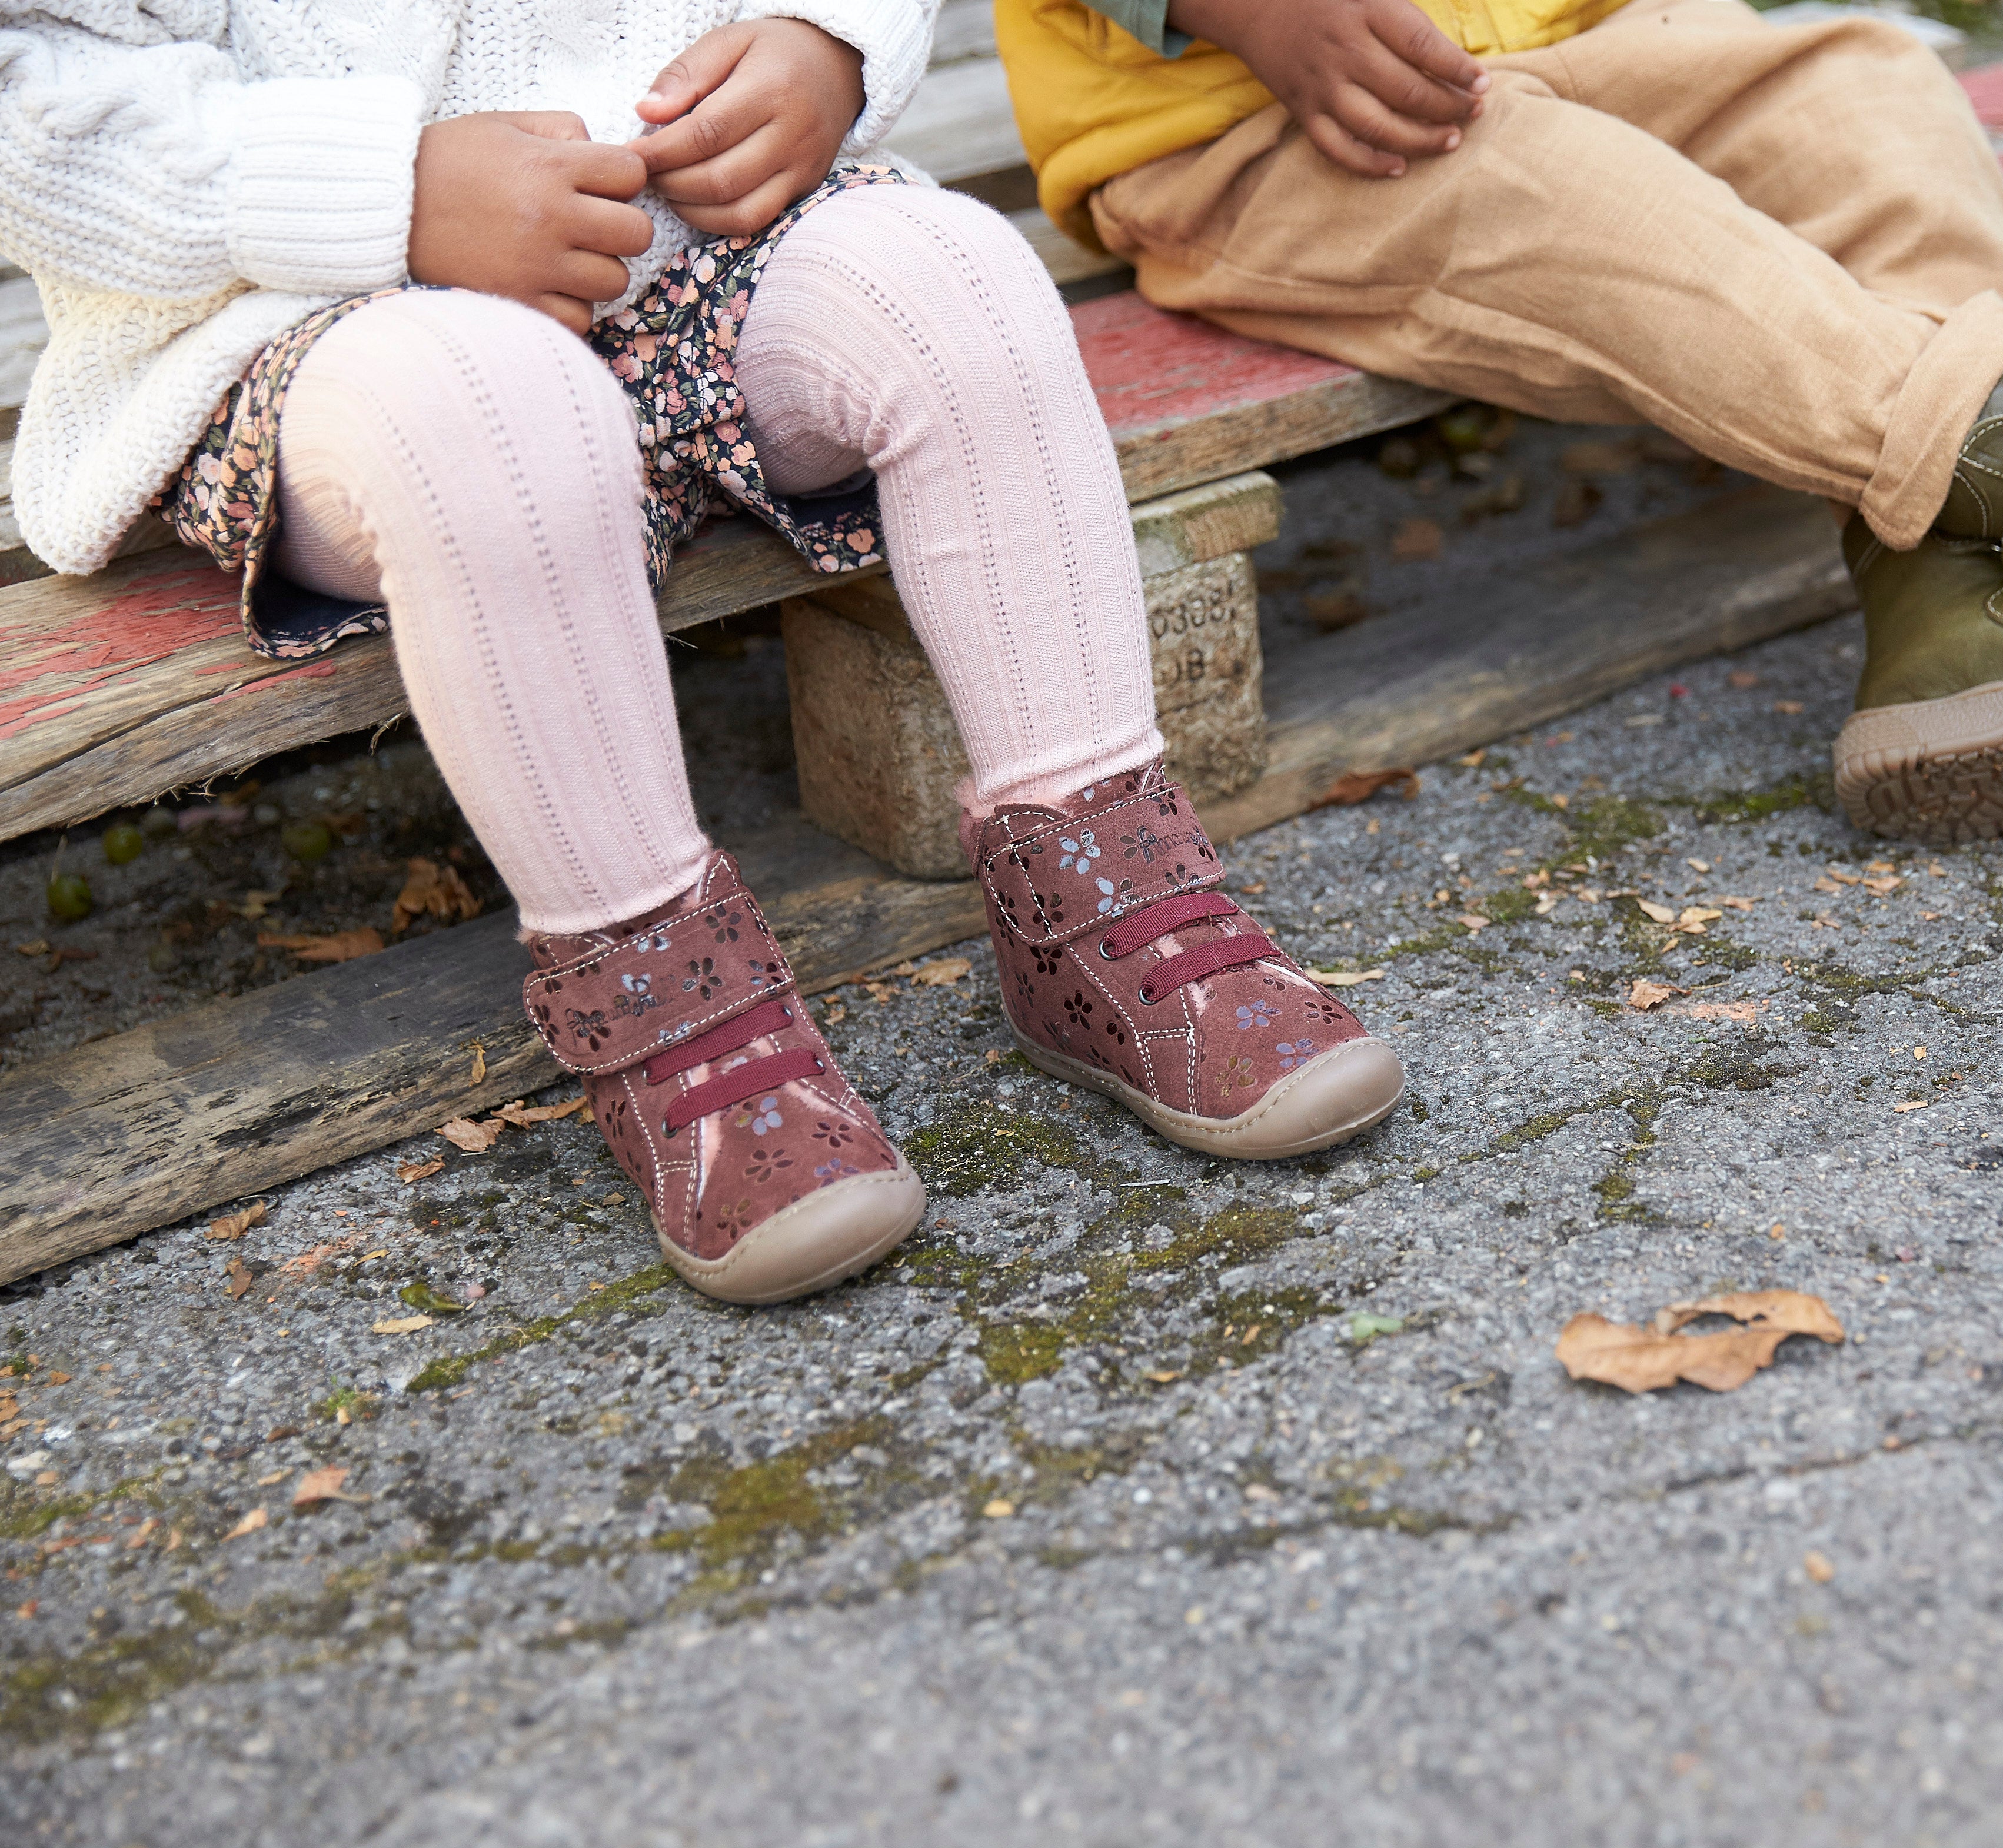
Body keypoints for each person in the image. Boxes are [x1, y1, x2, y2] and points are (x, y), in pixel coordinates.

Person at [0, 0, 1403, 1308]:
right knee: (491, 420)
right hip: (315, 316)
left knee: (956, 277)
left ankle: (1101, 906)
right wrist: (384, 189)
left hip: (710, 239)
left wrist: (828, 39)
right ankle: (674, 1011)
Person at [993, 0, 2003, 840]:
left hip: (1601, 36)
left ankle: (1956, 610)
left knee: (1862, 90)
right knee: (1555, 204)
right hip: (1256, 117)